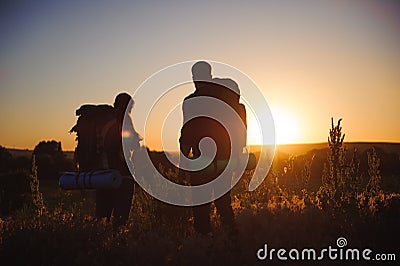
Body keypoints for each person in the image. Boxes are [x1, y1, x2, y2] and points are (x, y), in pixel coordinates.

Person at [179, 61, 247, 235]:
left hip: (200, 163)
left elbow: (186, 136)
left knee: (201, 209)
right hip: (225, 160)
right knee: (224, 205)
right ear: (209, 75)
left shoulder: (190, 102)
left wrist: (182, 167)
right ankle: (233, 244)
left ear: (193, 77)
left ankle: (205, 248)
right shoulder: (225, 98)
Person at [95, 92, 141, 228]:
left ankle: (98, 245)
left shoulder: (105, 124)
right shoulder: (124, 122)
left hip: (103, 176)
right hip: (121, 176)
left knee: (102, 218)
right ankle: (117, 246)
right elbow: (128, 148)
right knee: (120, 221)